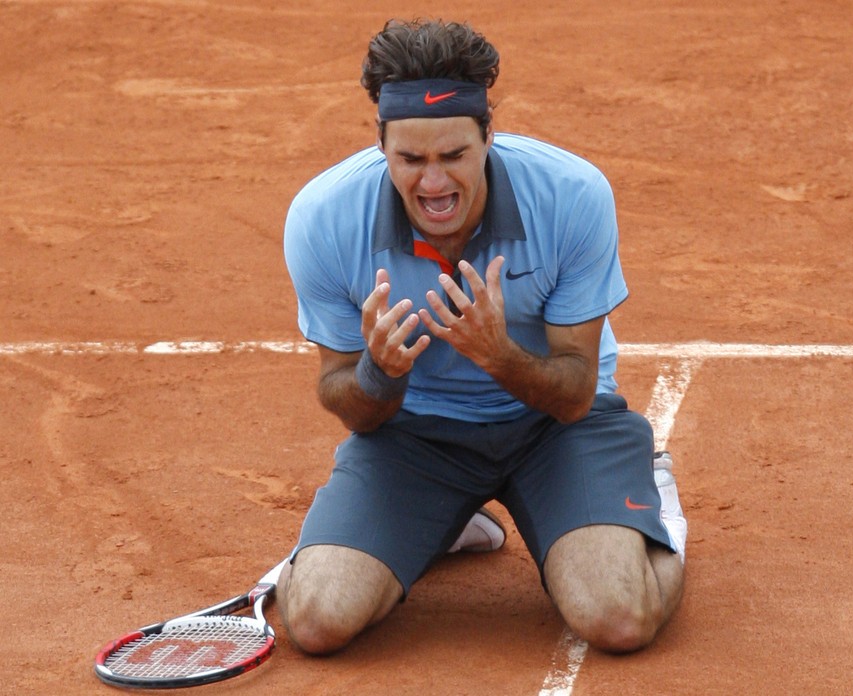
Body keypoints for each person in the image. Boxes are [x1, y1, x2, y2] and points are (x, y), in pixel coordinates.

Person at [278, 18, 688, 656]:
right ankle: (447, 523)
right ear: (379, 143)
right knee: (316, 622)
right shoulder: (323, 219)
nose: (434, 184)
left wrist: (501, 357)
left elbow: (577, 392)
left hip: (558, 430)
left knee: (619, 618)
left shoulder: (573, 196)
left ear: (489, 136)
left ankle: (654, 513)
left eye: (454, 156)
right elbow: (348, 404)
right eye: (410, 160)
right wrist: (378, 375)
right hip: (413, 440)